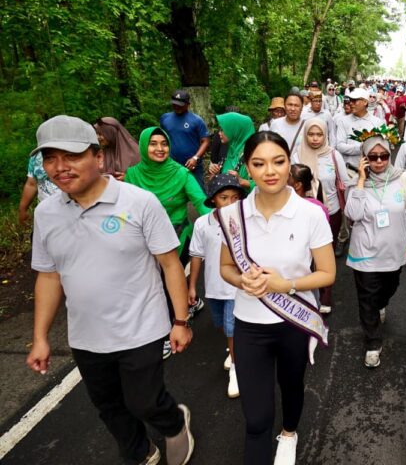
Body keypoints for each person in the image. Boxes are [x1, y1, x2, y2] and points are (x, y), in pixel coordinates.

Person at [26, 115, 194, 465]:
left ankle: (174, 422)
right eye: (50, 158)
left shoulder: (138, 202)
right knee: (108, 406)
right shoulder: (46, 213)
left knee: (143, 401)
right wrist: (40, 336)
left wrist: (180, 320)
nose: (60, 167)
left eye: (71, 156)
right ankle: (141, 452)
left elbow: (170, 263)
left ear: (98, 158)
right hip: (86, 336)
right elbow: (48, 276)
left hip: (142, 327)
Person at [218, 131, 335, 465]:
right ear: (247, 168)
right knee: (255, 419)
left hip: (293, 322)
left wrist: (287, 285)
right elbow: (225, 267)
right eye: (259, 163)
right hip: (249, 325)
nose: (270, 171)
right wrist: (242, 280)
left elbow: (327, 273)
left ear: (289, 163)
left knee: (291, 386)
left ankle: (289, 433)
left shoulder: (310, 213)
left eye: (278, 161)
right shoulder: (233, 215)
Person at [124, 127, 211, 356]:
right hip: (142, 238)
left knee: (164, 283)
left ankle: (170, 330)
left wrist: (220, 223)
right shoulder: (132, 175)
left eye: (164, 144)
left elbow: (201, 202)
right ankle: (193, 301)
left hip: (176, 236)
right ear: (143, 146)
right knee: (149, 283)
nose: (160, 149)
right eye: (153, 144)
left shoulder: (181, 174)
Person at [346, 130, 406, 368]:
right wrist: (361, 180)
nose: (378, 161)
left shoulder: (402, 178)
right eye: (372, 157)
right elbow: (353, 214)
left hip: (393, 249)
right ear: (364, 158)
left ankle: (381, 303)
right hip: (365, 251)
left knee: (390, 286)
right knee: (367, 299)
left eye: (383, 156)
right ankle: (373, 343)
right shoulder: (357, 183)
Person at [188, 174, 246, 399]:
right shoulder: (203, 224)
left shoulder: (244, 221)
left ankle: (237, 368)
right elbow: (196, 255)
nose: (230, 203)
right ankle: (233, 351)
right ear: (213, 200)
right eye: (224, 198)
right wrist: (192, 286)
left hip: (235, 287)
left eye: (235, 198)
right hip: (213, 288)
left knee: (232, 329)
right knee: (222, 325)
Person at [292, 118, 348, 313]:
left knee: (326, 255)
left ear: (325, 135)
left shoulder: (333, 155)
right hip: (302, 213)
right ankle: (306, 294)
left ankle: (325, 296)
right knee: (304, 255)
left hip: (331, 212)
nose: (315, 139)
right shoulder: (297, 154)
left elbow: (345, 182)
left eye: (319, 134)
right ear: (305, 134)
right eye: (311, 134)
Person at [160, 89, 210, 188]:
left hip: (192, 165)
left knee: (199, 191)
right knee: (172, 191)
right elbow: (162, 138)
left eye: (180, 104)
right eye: (174, 104)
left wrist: (195, 158)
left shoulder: (196, 120)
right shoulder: (165, 118)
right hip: (172, 164)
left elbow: (205, 141)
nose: (177, 107)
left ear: (188, 104)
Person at [335, 88, 386, 169]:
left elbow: (383, 147)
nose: (351, 103)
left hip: (372, 171)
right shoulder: (343, 121)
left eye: (354, 100)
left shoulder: (377, 122)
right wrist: (361, 148)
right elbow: (340, 146)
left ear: (365, 102)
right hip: (349, 171)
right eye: (350, 100)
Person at [208, 112, 256, 191]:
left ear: (235, 130)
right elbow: (212, 183)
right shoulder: (228, 149)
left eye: (223, 130)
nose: (219, 133)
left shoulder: (253, 154)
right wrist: (215, 173)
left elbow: (266, 185)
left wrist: (242, 181)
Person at [93, 117, 140, 181]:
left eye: (100, 134)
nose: (97, 137)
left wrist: (128, 177)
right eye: (97, 134)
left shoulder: (135, 152)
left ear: (111, 133)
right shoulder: (101, 151)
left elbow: (144, 176)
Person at [18, 151, 59, 225]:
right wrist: (23, 209)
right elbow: (31, 184)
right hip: (45, 215)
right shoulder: (36, 155)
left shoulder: (75, 151)